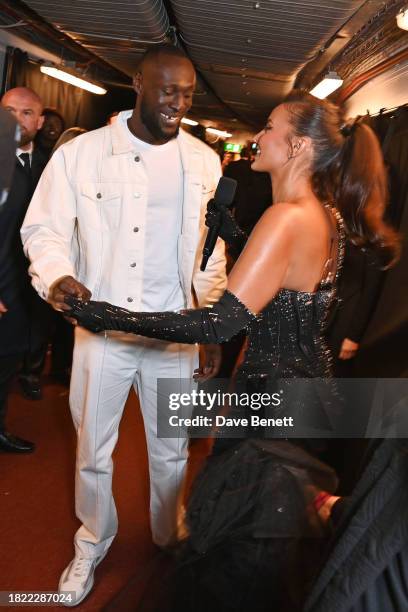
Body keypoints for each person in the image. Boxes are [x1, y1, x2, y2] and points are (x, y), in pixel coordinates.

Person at [66, 90, 399, 611]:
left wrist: (107, 316)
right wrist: (239, 235)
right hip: (305, 397)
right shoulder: (322, 214)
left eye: (270, 127)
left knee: (236, 567)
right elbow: (284, 287)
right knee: (257, 554)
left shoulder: (287, 216)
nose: (259, 136)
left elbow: (220, 323)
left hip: (273, 409)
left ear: (298, 146)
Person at [21, 44, 227, 605]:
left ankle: (168, 534)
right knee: (93, 449)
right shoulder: (81, 155)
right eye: (167, 90)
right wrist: (58, 277)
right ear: (138, 83)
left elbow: (210, 250)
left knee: (172, 449)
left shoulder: (204, 161)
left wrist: (211, 323)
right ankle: (92, 541)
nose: (178, 103)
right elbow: (42, 230)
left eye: (187, 92)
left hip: (175, 333)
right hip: (102, 332)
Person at [0, 87, 48, 452]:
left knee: (8, 365)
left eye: (26, 112)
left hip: (27, 289)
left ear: (41, 121)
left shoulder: (50, 165)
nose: (17, 119)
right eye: (9, 111)